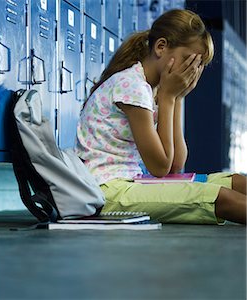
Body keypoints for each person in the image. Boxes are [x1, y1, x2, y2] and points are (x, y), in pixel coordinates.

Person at [75, 9, 246, 224]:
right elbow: (160, 167)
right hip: (107, 191)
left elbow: (176, 166)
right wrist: (168, 97)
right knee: (219, 198)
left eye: (198, 65)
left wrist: (176, 98)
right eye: (188, 60)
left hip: (131, 182)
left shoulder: (151, 87)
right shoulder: (132, 86)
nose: (191, 71)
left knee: (237, 182)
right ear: (161, 47)